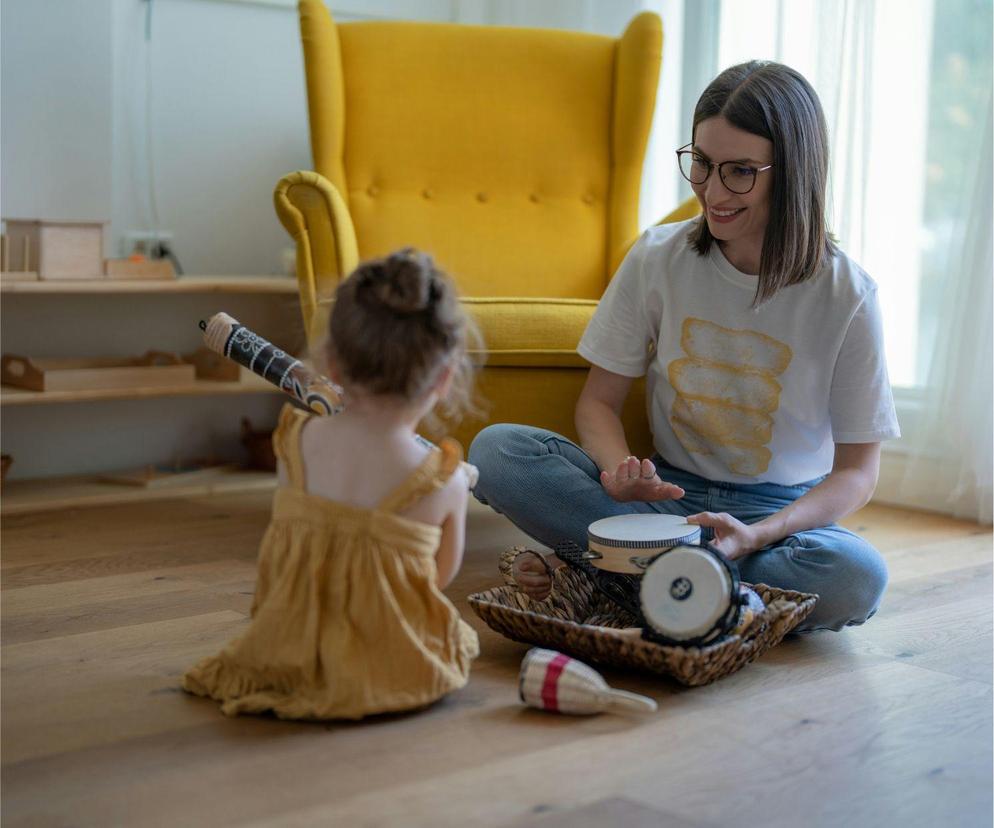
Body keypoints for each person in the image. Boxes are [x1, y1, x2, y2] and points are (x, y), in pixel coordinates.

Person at [469, 61, 899, 633]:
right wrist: (616, 471)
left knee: (855, 576)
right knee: (499, 451)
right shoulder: (657, 257)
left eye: (740, 171)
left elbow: (857, 474)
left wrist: (761, 535)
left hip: (778, 519)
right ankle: (703, 592)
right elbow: (598, 403)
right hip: (663, 504)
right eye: (701, 163)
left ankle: (633, 579)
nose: (712, 191)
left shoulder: (848, 294)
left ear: (794, 172)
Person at [183, 248, 481, 718]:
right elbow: (436, 579)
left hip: (288, 641)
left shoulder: (293, 442)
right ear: (444, 379)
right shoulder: (443, 481)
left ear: (332, 365)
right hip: (388, 660)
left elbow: (288, 546)